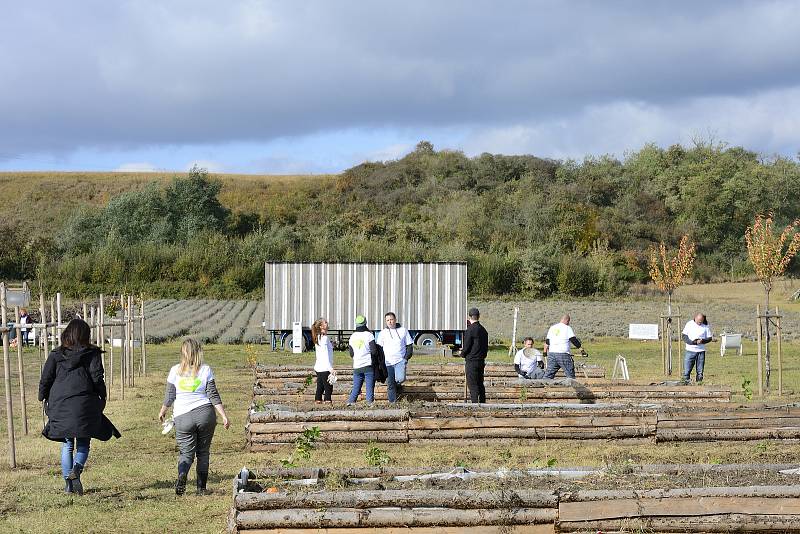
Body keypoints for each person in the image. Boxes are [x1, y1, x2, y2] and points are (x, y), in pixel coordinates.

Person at [38, 319, 120, 495]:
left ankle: (69, 482)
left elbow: (46, 379)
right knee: (83, 443)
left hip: (60, 404)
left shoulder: (55, 355)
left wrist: (42, 397)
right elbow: (97, 377)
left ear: (67, 334)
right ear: (86, 335)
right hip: (85, 405)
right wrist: (102, 396)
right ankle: (77, 470)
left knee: (67, 444)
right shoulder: (92, 354)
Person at [158, 338, 230, 496]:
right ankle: (201, 489)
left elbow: (170, 396)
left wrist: (163, 411)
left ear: (182, 353)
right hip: (205, 415)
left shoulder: (175, 370)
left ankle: (182, 474)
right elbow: (213, 395)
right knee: (203, 452)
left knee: (186, 452)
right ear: (198, 352)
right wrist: (223, 416)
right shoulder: (205, 370)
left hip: (183, 417)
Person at [376, 312, 413, 403]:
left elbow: (409, 346)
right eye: (387, 320)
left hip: (400, 361)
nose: (390, 322)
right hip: (388, 363)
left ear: (395, 320)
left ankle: (397, 386)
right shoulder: (383, 333)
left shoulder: (403, 330)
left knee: (401, 379)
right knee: (390, 383)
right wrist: (380, 362)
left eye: (391, 319)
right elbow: (379, 348)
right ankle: (392, 402)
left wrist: (405, 358)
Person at [347, 315, 378, 405]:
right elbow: (374, 351)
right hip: (368, 365)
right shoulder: (369, 335)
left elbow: (351, 353)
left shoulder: (352, 336)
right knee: (369, 387)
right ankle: (369, 403)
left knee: (356, 387)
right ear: (365, 323)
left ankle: (351, 402)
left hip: (357, 365)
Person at [461, 307, 489, 403]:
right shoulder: (484, 330)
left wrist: (462, 354)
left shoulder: (470, 330)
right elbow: (486, 347)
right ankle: (482, 403)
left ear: (469, 317)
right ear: (479, 316)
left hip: (472, 361)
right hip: (481, 360)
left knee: (472, 385)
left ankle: (475, 405)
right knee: (480, 383)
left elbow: (467, 346)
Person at [543, 315, 581, 379]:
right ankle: (572, 387)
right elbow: (573, 340)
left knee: (548, 374)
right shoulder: (567, 328)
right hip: (563, 354)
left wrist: (544, 352)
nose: (568, 323)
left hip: (552, 354)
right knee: (570, 374)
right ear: (567, 320)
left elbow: (547, 342)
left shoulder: (552, 327)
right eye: (568, 322)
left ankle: (543, 387)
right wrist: (581, 349)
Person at [682, 313, 712, 383]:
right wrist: (693, 342)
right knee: (686, 372)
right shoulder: (689, 324)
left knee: (700, 372)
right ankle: (685, 386)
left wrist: (703, 341)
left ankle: (699, 386)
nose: (700, 322)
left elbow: (710, 338)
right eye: (698, 321)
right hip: (690, 350)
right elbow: (684, 336)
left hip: (701, 351)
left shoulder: (705, 325)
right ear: (695, 318)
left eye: (701, 321)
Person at [311, 317, 335, 404]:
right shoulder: (324, 338)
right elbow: (325, 354)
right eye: (325, 322)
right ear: (321, 326)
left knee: (320, 387)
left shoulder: (318, 337)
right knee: (328, 388)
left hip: (319, 367)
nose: (327, 323)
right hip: (325, 367)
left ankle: (318, 401)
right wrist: (330, 368)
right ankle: (327, 402)